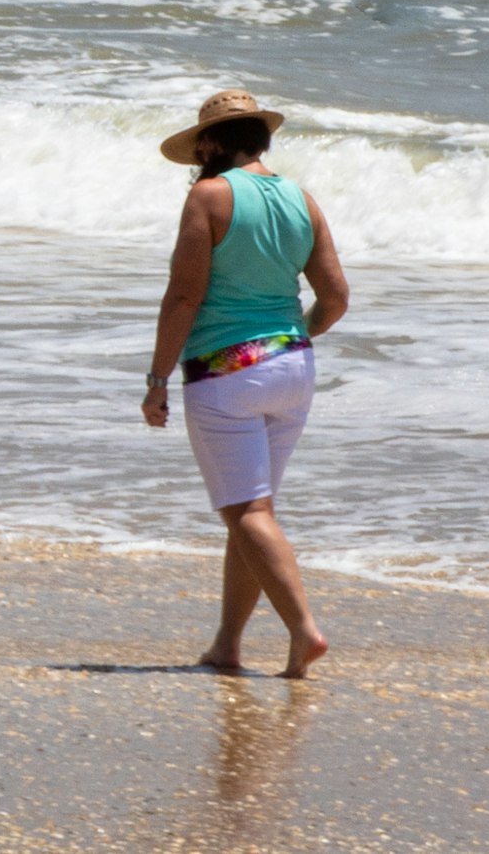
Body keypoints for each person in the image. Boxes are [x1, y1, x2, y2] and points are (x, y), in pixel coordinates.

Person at [141, 88, 350, 677]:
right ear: (261, 139)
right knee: (252, 510)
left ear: (208, 143)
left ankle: (303, 630)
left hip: (226, 373)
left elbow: (184, 296)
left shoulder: (209, 196)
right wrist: (289, 340)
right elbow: (334, 299)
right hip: (293, 365)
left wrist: (158, 379)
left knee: (249, 512)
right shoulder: (300, 199)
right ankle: (228, 645)